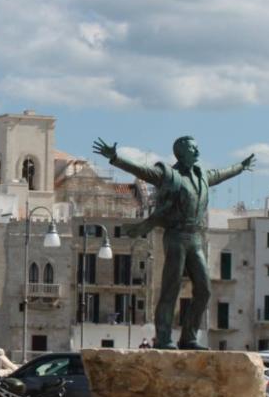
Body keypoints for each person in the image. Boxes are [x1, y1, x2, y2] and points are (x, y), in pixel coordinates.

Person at [93, 136, 254, 350]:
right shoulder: (170, 175)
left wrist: (241, 167)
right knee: (171, 288)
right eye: (193, 148)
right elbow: (143, 171)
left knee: (204, 289)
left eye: (197, 148)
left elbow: (223, 173)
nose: (197, 152)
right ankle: (164, 338)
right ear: (181, 152)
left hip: (195, 237)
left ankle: (188, 337)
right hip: (176, 236)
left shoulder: (202, 175)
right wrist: (115, 158)